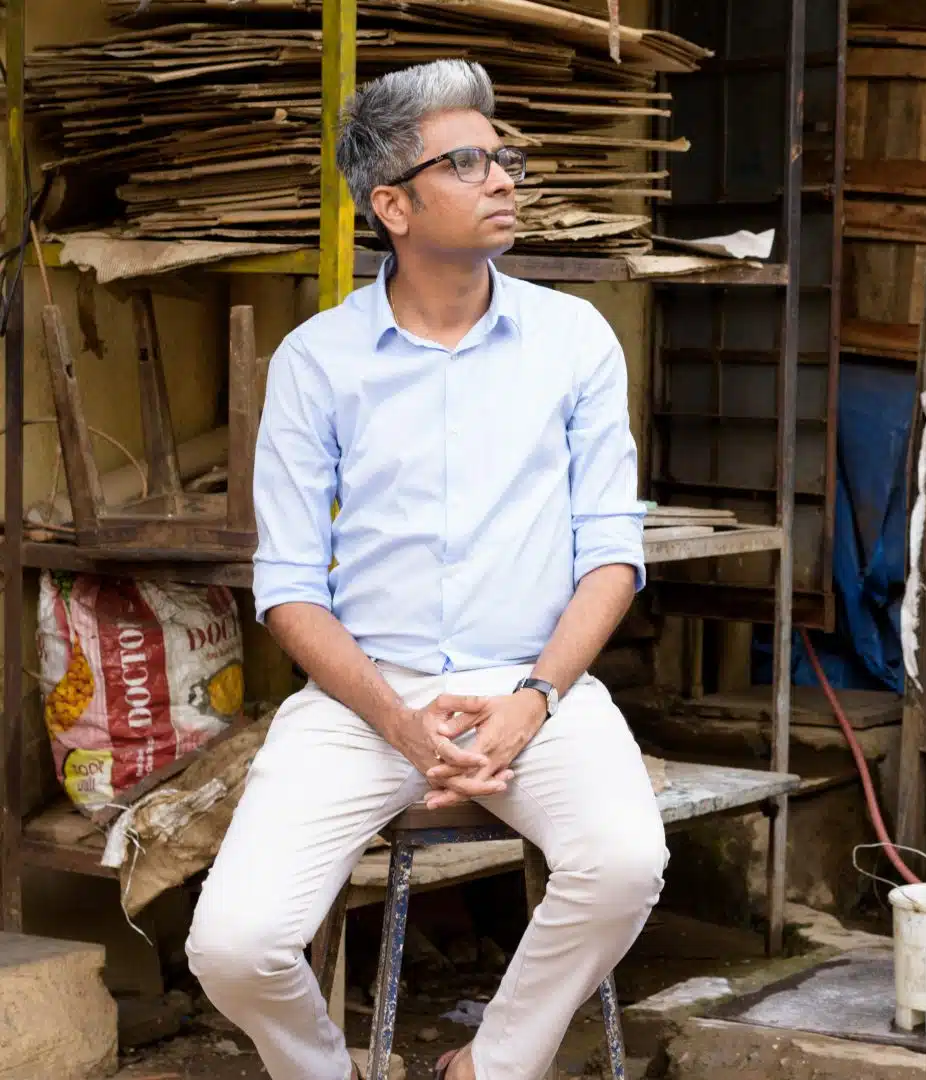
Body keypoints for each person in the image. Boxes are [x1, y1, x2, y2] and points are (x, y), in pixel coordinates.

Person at [185, 58, 667, 1080]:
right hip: (364, 696)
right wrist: (397, 722)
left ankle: (487, 1068)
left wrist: (534, 698)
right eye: (468, 162)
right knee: (231, 946)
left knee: (624, 864)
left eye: (505, 159)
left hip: (537, 685)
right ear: (391, 205)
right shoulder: (318, 361)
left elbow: (612, 553)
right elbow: (289, 588)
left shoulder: (574, 339)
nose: (503, 179)